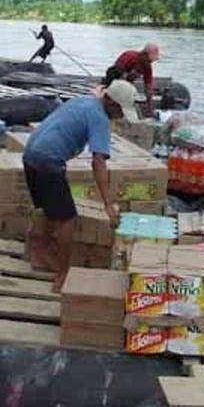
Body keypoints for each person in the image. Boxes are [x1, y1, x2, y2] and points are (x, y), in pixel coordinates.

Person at [22, 79, 139, 291]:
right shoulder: (100, 118)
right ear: (112, 103)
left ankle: (39, 255)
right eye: (121, 112)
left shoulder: (83, 101)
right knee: (67, 220)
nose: (121, 117)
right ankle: (62, 275)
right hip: (49, 159)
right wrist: (107, 203)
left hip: (30, 153)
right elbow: (98, 161)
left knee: (49, 208)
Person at [103, 42, 160, 115]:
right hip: (114, 81)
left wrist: (149, 106)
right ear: (145, 54)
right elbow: (116, 71)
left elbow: (148, 87)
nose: (150, 62)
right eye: (150, 60)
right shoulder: (129, 56)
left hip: (127, 87)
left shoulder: (147, 68)